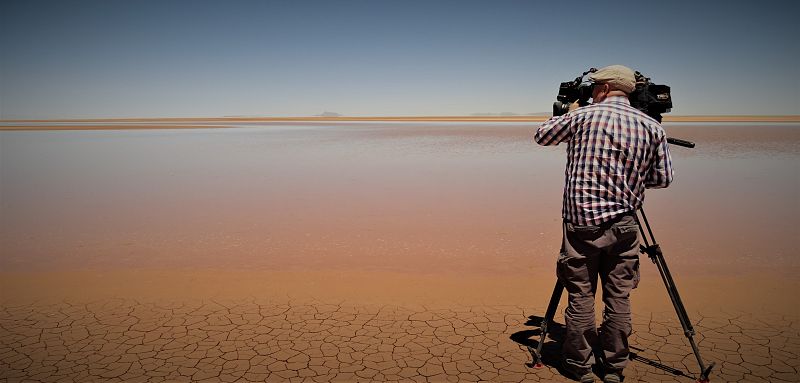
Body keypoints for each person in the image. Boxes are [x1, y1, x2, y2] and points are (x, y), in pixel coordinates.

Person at [534, 65, 673, 383]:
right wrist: (628, 177)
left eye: (595, 86)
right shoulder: (651, 126)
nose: (592, 91)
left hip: (581, 225)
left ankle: (579, 365)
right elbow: (662, 179)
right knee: (619, 297)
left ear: (606, 87)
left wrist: (567, 109)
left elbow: (542, 136)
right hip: (625, 224)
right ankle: (614, 367)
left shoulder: (582, 117)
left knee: (581, 295)